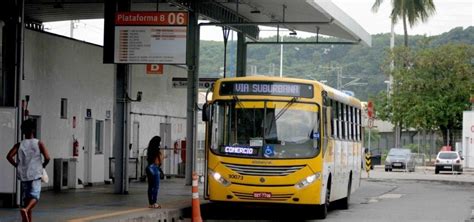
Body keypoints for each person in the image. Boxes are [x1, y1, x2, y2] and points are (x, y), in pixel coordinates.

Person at [6, 119, 51, 222]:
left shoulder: (19, 145)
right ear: (33, 130)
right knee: (35, 196)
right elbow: (48, 158)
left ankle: (26, 218)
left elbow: (9, 156)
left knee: (27, 199)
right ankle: (25, 210)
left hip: (24, 175)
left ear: (23, 131)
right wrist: (43, 166)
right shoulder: (39, 143)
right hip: (35, 174)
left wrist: (17, 165)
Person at [146, 136, 164, 209]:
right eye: (160, 141)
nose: (160, 143)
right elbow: (158, 161)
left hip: (149, 168)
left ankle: (151, 203)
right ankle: (154, 203)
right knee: (156, 187)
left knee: (150, 187)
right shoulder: (157, 151)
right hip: (154, 168)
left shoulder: (150, 150)